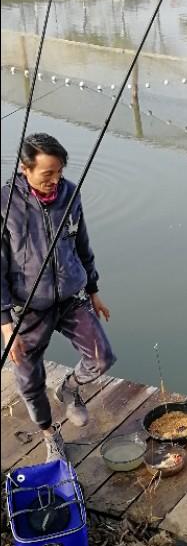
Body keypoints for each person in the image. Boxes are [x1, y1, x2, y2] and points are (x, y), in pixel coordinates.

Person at [1, 133, 116, 462]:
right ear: (25, 169)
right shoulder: (4, 203)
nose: (55, 181)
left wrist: (93, 290)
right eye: (47, 174)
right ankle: (50, 434)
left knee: (101, 356)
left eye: (59, 172)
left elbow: (82, 244)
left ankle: (68, 388)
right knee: (26, 373)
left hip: (70, 294)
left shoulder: (69, 193)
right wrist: (5, 324)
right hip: (27, 306)